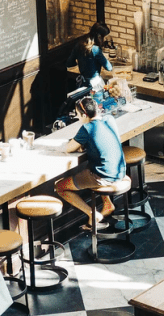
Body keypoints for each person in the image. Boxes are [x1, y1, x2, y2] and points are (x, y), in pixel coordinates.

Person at [54, 96, 127, 230]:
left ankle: (93, 215)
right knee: (92, 164)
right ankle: (107, 204)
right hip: (120, 171)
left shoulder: (87, 128)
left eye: (77, 115)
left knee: (60, 187)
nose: (77, 118)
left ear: (83, 115)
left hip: (103, 177)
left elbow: (69, 149)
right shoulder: (109, 119)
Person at [67, 23, 113, 89]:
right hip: (95, 84)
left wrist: (82, 62)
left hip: (82, 83)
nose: (105, 40)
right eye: (105, 37)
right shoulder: (95, 50)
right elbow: (109, 67)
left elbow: (69, 63)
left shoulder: (79, 45)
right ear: (99, 36)